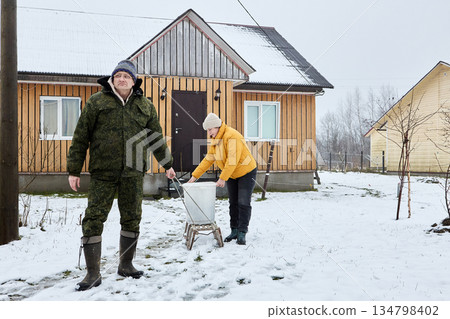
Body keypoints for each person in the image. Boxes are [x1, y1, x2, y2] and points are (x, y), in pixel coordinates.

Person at [67, 60, 176, 291]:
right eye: (118, 75)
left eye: (127, 76)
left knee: (132, 217)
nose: (122, 79)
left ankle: (126, 265)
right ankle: (92, 273)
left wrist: (167, 164)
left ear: (134, 81)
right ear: (112, 79)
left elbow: (155, 137)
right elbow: (80, 137)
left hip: (133, 172)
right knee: (94, 218)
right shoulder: (97, 102)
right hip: (103, 172)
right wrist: (73, 170)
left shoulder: (146, 106)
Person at [187, 113, 257, 245]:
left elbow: (232, 161)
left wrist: (222, 178)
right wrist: (194, 176)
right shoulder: (216, 140)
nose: (208, 133)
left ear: (216, 126)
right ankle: (234, 230)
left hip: (246, 172)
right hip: (231, 173)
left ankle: (242, 232)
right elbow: (208, 159)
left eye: (209, 130)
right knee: (233, 203)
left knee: (243, 202)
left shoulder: (232, 136)